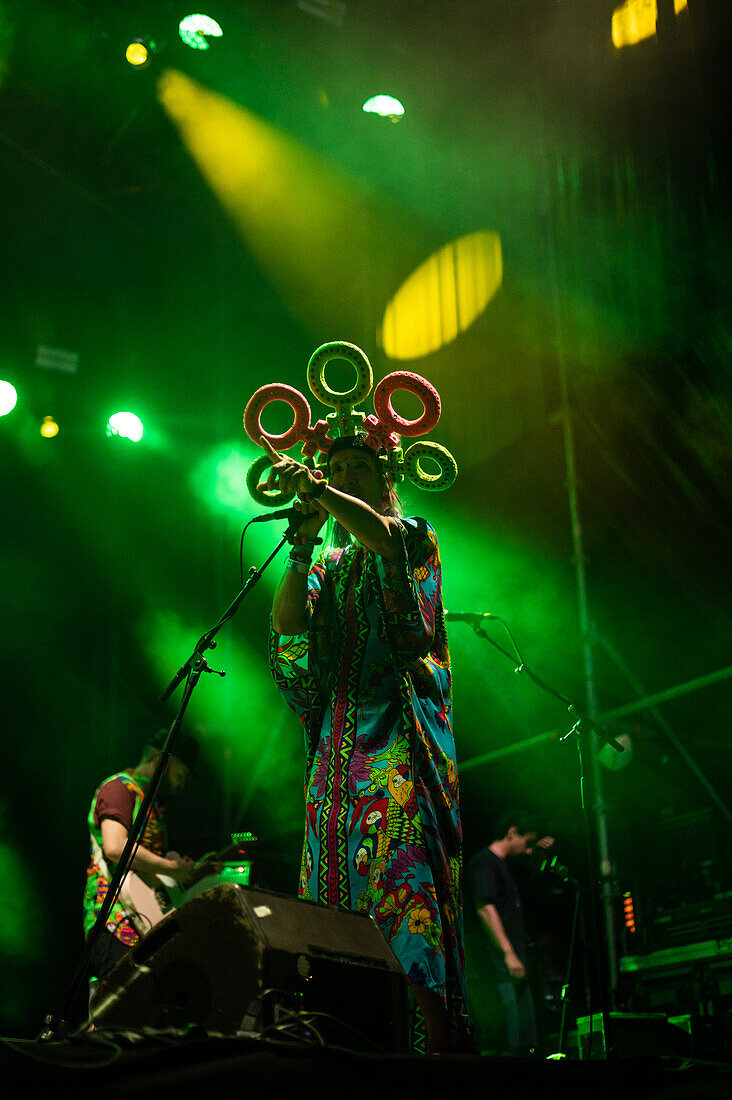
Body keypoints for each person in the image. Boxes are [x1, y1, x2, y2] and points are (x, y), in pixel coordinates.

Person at [260, 432, 474, 1053]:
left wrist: (319, 491)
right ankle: (347, 1051)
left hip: (397, 739)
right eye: (335, 467)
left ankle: (433, 1050)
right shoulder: (328, 564)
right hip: (336, 753)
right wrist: (299, 551)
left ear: (385, 481)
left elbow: (382, 545)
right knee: (332, 905)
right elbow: (290, 626)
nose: (343, 474)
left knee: (403, 888)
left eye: (359, 467)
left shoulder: (414, 533)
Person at [82, 729, 199, 996]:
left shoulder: (152, 806)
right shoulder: (119, 788)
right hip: (115, 920)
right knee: (120, 1014)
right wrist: (170, 867)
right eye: (180, 775)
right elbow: (115, 846)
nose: (182, 784)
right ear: (160, 762)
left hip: (142, 922)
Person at [466, 810, 554, 1055]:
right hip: (496, 969)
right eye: (527, 843)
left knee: (524, 1041)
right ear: (512, 832)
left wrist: (539, 851)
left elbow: (535, 870)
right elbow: (485, 908)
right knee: (510, 1042)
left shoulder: (504, 867)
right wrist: (508, 953)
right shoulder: (484, 862)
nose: (527, 851)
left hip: (510, 966)